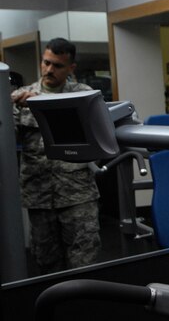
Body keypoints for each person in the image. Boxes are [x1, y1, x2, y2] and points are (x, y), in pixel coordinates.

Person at [12, 37, 102, 274]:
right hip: (39, 193)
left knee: (85, 259)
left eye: (57, 65)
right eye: (46, 63)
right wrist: (6, 106)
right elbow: (7, 139)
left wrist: (42, 103)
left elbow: (98, 135)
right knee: (46, 262)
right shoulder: (22, 97)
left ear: (71, 68)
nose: (49, 70)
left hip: (77, 193)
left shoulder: (84, 95)